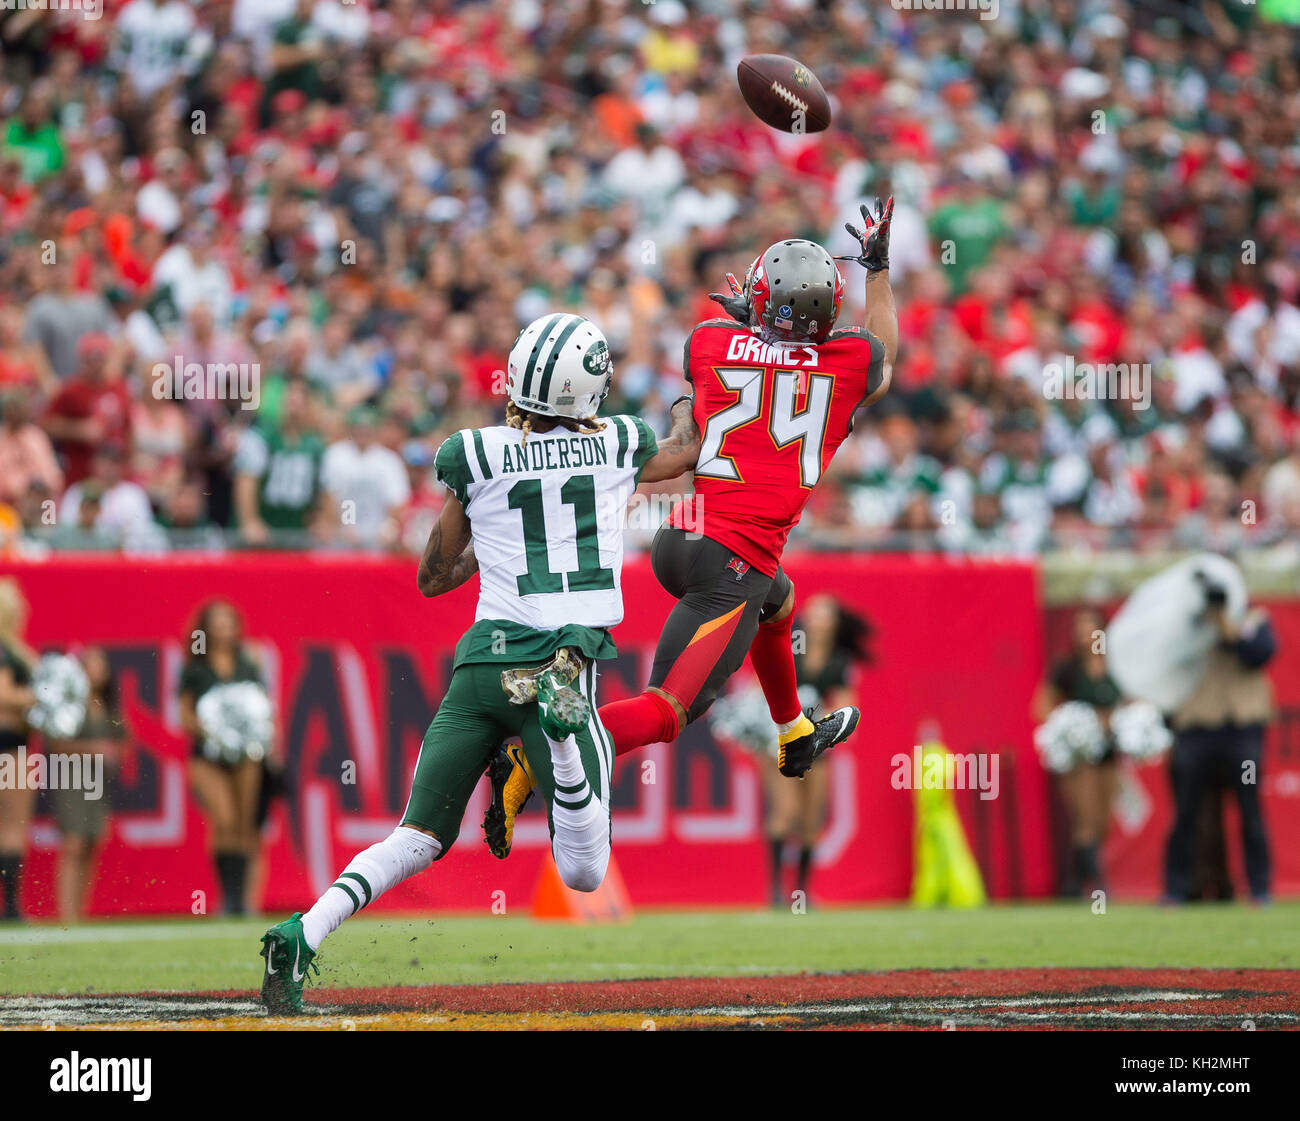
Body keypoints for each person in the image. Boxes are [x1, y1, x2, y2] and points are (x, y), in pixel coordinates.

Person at [258, 313, 700, 1014]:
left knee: (418, 833)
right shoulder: (618, 441)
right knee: (584, 870)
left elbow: (434, 575)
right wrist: (690, 392)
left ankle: (302, 931)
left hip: (483, 668)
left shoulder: (478, 452)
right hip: (563, 658)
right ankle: (553, 741)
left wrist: (490, 543)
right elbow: (686, 449)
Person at [491, 200, 898, 840]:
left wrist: (753, 329)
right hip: (732, 562)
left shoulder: (709, 342)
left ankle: (793, 731)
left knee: (780, 599)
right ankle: (533, 759)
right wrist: (875, 268)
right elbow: (884, 352)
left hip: (681, 536)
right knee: (668, 711)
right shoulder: (848, 364)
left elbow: (727, 362)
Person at [1164, 587, 1277, 905]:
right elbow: (1168, 660)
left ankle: (1259, 889)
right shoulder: (1185, 623)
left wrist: (1230, 628)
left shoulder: (1254, 616)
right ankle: (1176, 889)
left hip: (1242, 733)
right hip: (1196, 731)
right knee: (1185, 813)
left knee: (1250, 809)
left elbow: (1260, 654)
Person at [766, 594, 870, 908]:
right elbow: (762, 688)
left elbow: (848, 707)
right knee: (787, 814)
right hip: (780, 741)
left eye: (825, 613)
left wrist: (828, 728)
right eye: (814, 611)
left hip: (816, 745)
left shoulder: (839, 663)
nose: (816, 618)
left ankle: (801, 894)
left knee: (812, 820)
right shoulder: (789, 648)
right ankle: (774, 894)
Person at [179, 600, 269, 916]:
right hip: (208, 755)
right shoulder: (196, 668)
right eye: (216, 623)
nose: (223, 629)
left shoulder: (248, 663)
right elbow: (185, 714)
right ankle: (227, 898)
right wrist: (210, 731)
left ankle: (241, 902)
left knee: (245, 825)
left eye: (227, 622)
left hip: (247, 754)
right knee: (225, 818)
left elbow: (262, 706)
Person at [1036, 606, 1121, 895]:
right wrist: (1073, 724)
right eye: (1079, 627)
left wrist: (1115, 719)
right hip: (1080, 757)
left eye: (1090, 627)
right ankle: (1099, 887)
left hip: (1109, 755)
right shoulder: (1067, 668)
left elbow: (1130, 702)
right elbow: (1042, 706)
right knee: (1085, 818)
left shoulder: (1116, 667)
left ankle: (1074, 884)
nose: (1084, 634)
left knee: (1102, 821)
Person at [54, 647, 127, 921]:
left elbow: (121, 743)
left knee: (92, 843)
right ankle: (66, 914)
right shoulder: (70, 704)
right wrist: (94, 750)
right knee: (73, 843)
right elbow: (58, 745)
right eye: (89, 665)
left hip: (99, 783)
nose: (95, 672)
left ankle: (80, 912)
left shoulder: (109, 705)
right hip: (72, 779)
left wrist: (116, 748)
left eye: (100, 666)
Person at [0, 578, 36, 920]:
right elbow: (3, 695)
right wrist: (37, 698)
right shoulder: (5, 649)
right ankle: (11, 906)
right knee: (11, 826)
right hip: (8, 745)